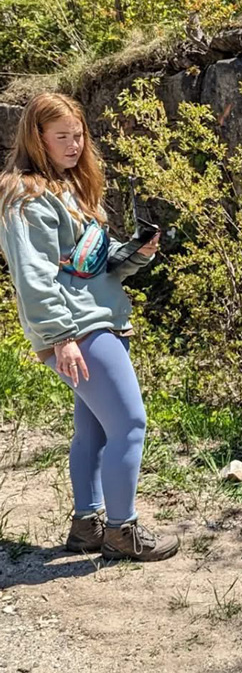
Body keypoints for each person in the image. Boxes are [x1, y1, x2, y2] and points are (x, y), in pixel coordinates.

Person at [0, 93, 178, 562]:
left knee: (96, 431)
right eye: (62, 137)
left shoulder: (69, 188)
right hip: (79, 327)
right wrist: (61, 338)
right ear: (36, 138)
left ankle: (87, 525)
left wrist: (135, 254)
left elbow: (89, 265)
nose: (74, 144)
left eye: (78, 135)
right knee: (130, 424)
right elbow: (33, 276)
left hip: (95, 319)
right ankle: (122, 531)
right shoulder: (27, 195)